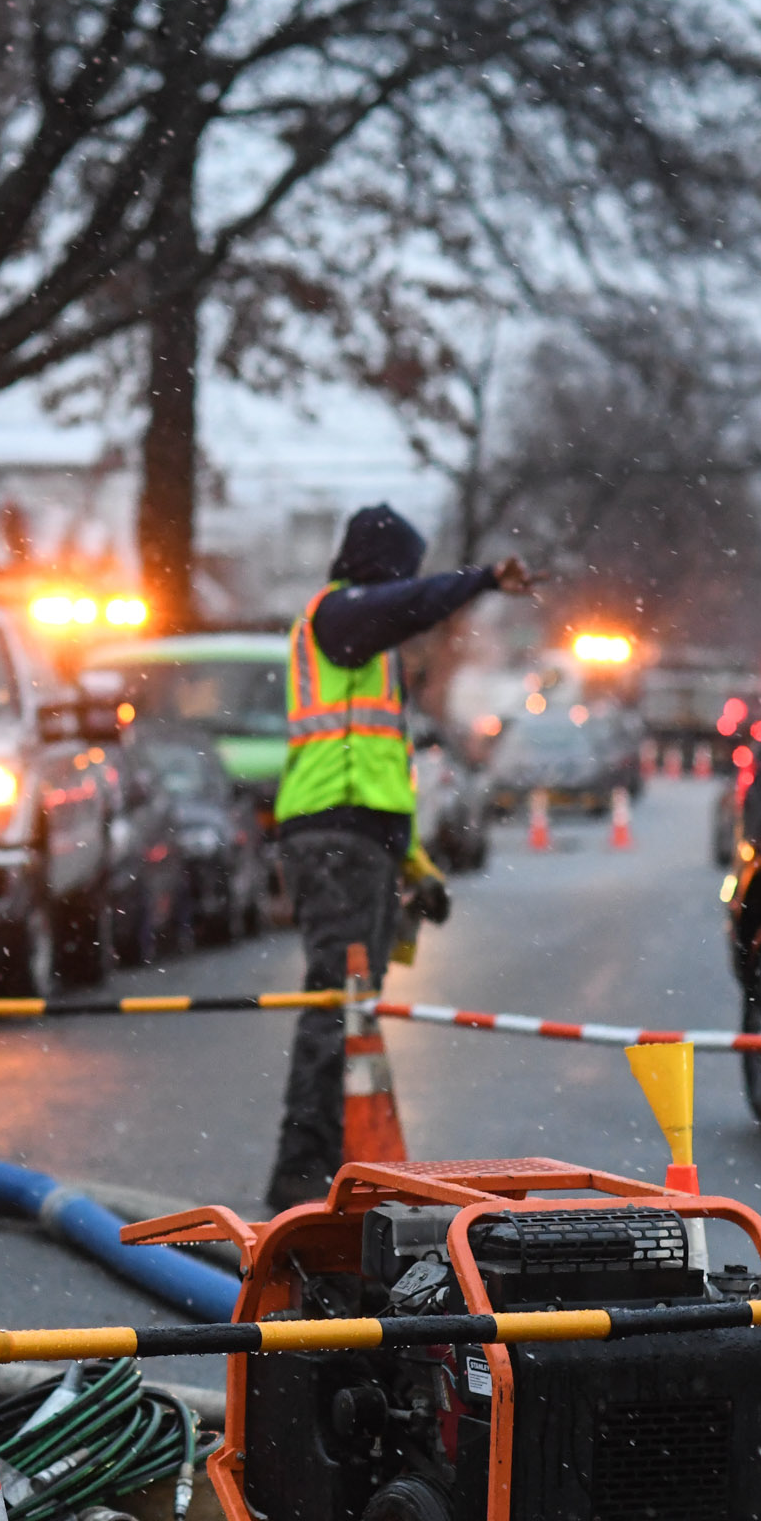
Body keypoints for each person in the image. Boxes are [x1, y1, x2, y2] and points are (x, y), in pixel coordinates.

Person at [267, 505, 529, 1208]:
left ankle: (335, 1162)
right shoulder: (341, 620)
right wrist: (477, 580)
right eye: (404, 574)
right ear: (382, 568)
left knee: (353, 1003)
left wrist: (416, 867)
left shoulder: (369, 651)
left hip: (361, 840)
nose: (410, 593)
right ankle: (303, 1167)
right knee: (339, 1000)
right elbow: (402, 605)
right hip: (334, 835)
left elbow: (387, 772)